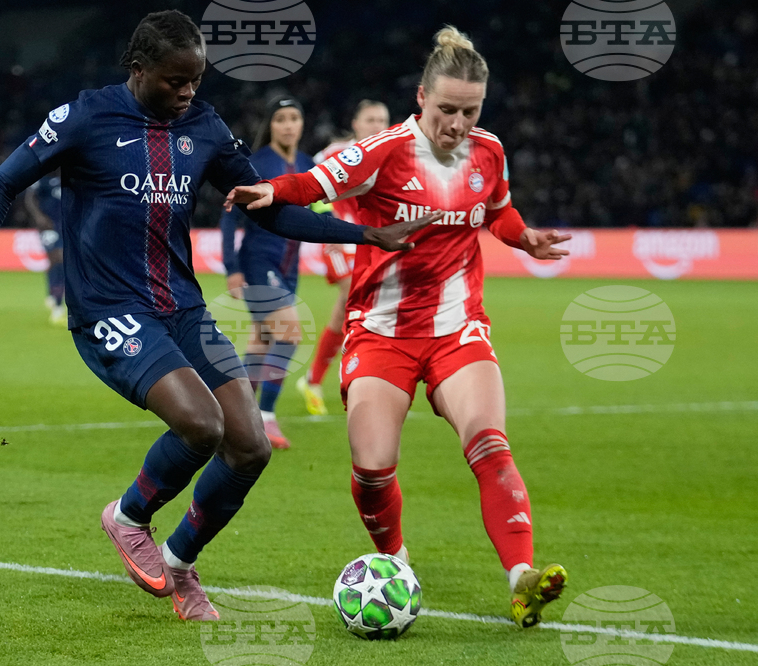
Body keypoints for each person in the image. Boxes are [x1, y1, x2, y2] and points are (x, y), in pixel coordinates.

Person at [0, 10, 439, 622]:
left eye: (196, 79)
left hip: (182, 308)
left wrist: (366, 232)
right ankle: (127, 516)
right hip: (109, 310)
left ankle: (179, 563)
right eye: (175, 80)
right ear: (139, 70)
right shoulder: (86, 116)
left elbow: (266, 208)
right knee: (202, 425)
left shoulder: (202, 124)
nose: (188, 91)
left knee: (250, 446)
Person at [224, 26, 572, 628]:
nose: (458, 124)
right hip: (380, 330)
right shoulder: (385, 150)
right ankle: (395, 560)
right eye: (446, 110)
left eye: (470, 111)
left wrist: (525, 237)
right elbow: (314, 185)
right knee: (372, 465)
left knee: (489, 441)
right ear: (421, 98)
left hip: (457, 327)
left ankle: (521, 577)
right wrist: (270, 189)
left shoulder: (489, 151)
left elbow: (499, 210)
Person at [220, 96, 314, 450]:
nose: (288, 125)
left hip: (289, 265)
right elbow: (229, 216)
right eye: (281, 119)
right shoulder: (257, 163)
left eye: (294, 117)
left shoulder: (307, 163)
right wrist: (232, 268)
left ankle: (233, 415)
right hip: (259, 261)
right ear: (270, 125)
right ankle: (266, 416)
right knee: (289, 333)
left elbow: (319, 206)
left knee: (261, 344)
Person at [296, 100, 391, 416]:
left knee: (347, 311)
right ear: (355, 124)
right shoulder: (337, 153)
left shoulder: (393, 152)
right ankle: (352, 377)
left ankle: (314, 379)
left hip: (373, 238)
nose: (377, 125)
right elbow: (312, 182)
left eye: (382, 119)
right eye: (370, 119)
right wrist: (328, 220)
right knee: (353, 294)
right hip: (339, 237)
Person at [24, 171, 66, 327]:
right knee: (58, 258)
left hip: (67, 226)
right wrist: (38, 217)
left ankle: (53, 291)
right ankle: (57, 305)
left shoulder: (73, 175)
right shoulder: (43, 178)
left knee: (59, 263)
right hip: (48, 226)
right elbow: (30, 198)